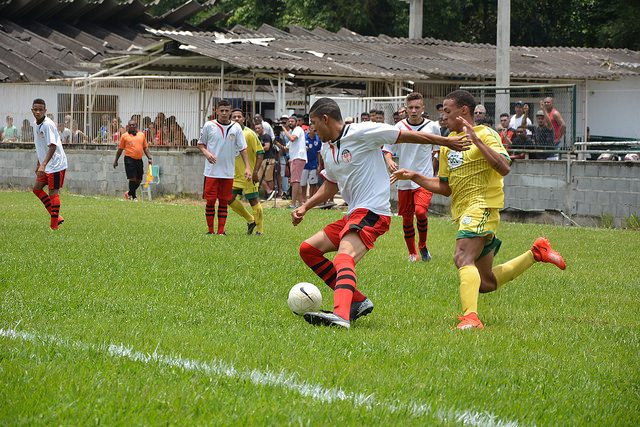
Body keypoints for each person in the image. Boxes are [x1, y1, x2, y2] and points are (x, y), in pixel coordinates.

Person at [391, 90, 566, 330]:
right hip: (464, 211)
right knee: (485, 283)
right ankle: (536, 253)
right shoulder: (447, 144)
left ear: (464, 111)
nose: (444, 117)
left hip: (483, 206)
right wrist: (415, 176)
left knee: (462, 257)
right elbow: (445, 187)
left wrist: (477, 140)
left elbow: (504, 167)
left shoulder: (486, 134)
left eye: (448, 112)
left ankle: (471, 318)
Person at [292, 97, 470, 329]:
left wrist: (445, 141)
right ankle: (356, 301)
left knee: (344, 256)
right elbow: (331, 184)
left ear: (325, 119)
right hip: (354, 214)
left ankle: (341, 315)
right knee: (308, 250)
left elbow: (406, 136)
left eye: (314, 123)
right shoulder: (328, 148)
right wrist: (306, 206)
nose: (312, 129)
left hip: (373, 211)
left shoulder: (362, 132)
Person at [383, 92, 441, 263]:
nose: (414, 111)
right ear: (406, 110)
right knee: (407, 218)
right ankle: (412, 253)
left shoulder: (432, 127)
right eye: (411, 108)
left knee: (421, 212)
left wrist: (435, 171)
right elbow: (387, 149)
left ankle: (422, 245)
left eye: (417, 107)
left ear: (423, 108)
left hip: (424, 178)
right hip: (404, 179)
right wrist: (389, 161)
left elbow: (437, 150)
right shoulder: (399, 127)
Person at [197, 100, 251, 235]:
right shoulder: (209, 125)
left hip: (227, 172)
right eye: (222, 110)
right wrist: (207, 153)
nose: (224, 113)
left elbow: (243, 149)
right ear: (216, 111)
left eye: (227, 110)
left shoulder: (236, 128)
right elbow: (201, 144)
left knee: (223, 201)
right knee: (210, 201)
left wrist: (248, 168)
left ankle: (221, 231)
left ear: (230, 111)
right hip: (211, 172)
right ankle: (210, 231)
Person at [30, 98, 68, 230]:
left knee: (53, 193)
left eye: (41, 109)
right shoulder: (35, 124)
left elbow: (52, 146)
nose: (38, 112)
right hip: (46, 164)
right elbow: (40, 146)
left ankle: (53, 226)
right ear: (32, 110)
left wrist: (43, 165)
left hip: (56, 164)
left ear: (45, 110)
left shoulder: (48, 125)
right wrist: (38, 164)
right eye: (36, 109)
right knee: (37, 189)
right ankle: (57, 217)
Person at [229, 109, 265, 235]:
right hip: (234, 175)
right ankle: (250, 220)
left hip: (248, 174)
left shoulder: (249, 134)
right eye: (234, 117)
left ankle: (260, 230)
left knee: (253, 200)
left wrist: (255, 172)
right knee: (228, 198)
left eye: (239, 117)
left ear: (243, 119)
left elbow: (260, 153)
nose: (237, 119)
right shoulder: (229, 134)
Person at [113, 119, 153, 201]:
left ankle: (129, 193)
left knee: (139, 179)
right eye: (130, 125)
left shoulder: (141, 135)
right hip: (129, 159)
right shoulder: (124, 136)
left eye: (133, 125)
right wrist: (116, 160)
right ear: (128, 126)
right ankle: (134, 197)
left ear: (136, 126)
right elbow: (120, 149)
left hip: (139, 159)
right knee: (132, 178)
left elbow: (145, 148)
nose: (132, 126)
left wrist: (149, 157)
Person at [277, 115, 306, 208]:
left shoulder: (297, 129)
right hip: (295, 158)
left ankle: (293, 204)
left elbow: (292, 138)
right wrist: (277, 142)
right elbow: (286, 148)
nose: (290, 123)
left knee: (295, 181)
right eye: (289, 121)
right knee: (296, 181)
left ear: (296, 122)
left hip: (298, 157)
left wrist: (284, 129)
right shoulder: (293, 132)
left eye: (292, 121)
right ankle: (301, 203)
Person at [255, 123, 277, 200]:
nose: (257, 130)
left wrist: (256, 150)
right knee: (258, 177)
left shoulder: (266, 136)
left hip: (269, 159)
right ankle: (268, 191)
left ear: (262, 128)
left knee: (269, 178)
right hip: (262, 159)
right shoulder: (258, 137)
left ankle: (272, 194)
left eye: (259, 128)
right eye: (256, 129)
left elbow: (267, 147)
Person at [301, 124, 322, 203]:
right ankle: (303, 198)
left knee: (313, 183)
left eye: (316, 129)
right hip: (304, 164)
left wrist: (319, 165)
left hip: (313, 164)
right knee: (303, 183)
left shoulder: (317, 139)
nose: (315, 131)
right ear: (309, 129)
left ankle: (310, 198)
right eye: (314, 129)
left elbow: (318, 153)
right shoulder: (304, 138)